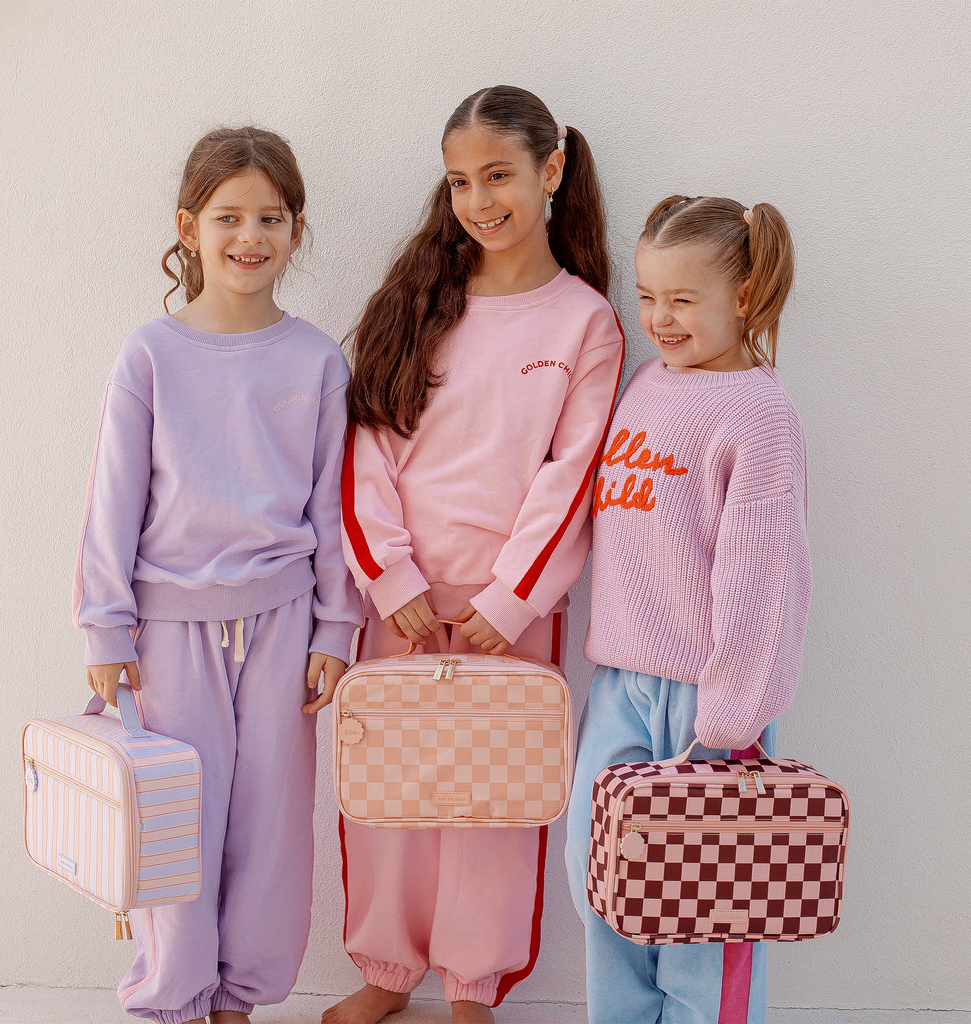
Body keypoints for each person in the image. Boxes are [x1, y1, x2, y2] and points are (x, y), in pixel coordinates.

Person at [326, 86, 625, 1024]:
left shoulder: (586, 322)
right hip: (403, 603)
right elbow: (365, 449)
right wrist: (391, 579)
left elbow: (574, 476)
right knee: (391, 795)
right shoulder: (419, 304)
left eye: (498, 175)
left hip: (510, 611)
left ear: (551, 169)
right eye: (459, 181)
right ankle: (387, 971)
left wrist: (508, 602)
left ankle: (472, 986)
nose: (478, 200)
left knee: (494, 803)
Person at [72, 126, 362, 1024]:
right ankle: (172, 999)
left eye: (271, 217)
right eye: (229, 216)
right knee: (174, 823)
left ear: (296, 229)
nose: (250, 235)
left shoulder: (318, 360)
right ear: (188, 226)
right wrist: (104, 629)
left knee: (272, 828)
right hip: (168, 630)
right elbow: (113, 502)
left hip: (285, 627)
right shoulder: (149, 354)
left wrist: (336, 627)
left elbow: (333, 509)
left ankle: (239, 1003)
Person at [564, 195, 812, 1023]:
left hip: (709, 700)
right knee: (603, 882)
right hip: (621, 683)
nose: (658, 319)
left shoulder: (759, 415)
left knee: (705, 913)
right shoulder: (647, 384)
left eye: (680, 299)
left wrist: (729, 718)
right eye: (646, 296)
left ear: (743, 297)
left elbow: (764, 578)